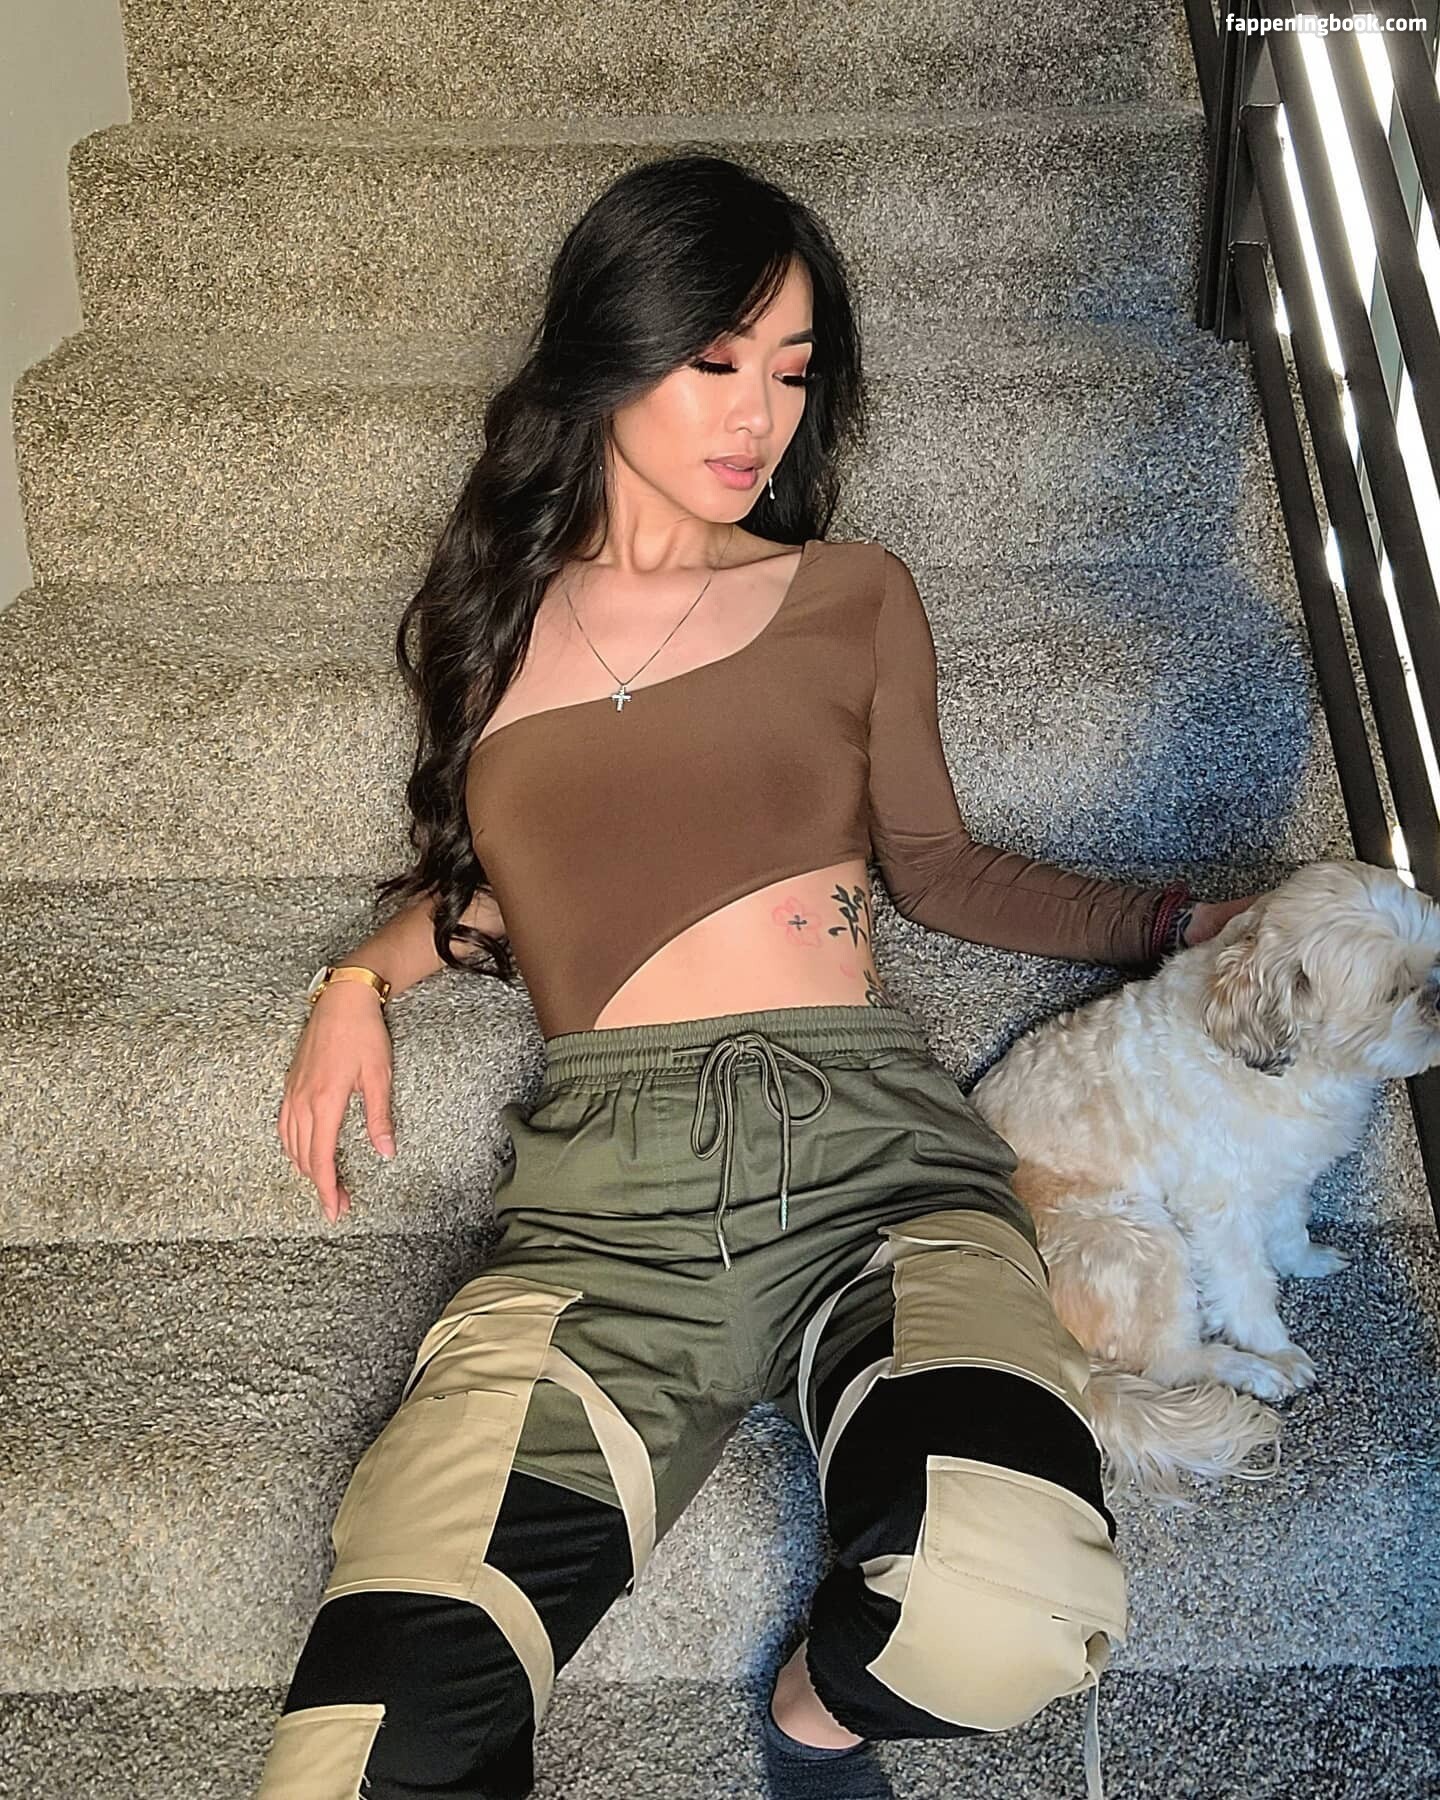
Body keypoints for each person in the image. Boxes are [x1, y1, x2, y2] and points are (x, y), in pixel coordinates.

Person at [256, 151, 1228, 1800]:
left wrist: (1182, 925)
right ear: (611, 347)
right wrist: (356, 981)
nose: (759, 416)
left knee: (1003, 1608)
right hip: (605, 1223)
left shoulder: (847, 596)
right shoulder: (493, 622)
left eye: (791, 371)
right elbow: (510, 894)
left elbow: (941, 873)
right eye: (716, 360)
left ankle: (815, 1713)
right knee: (360, 1758)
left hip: (875, 1173)